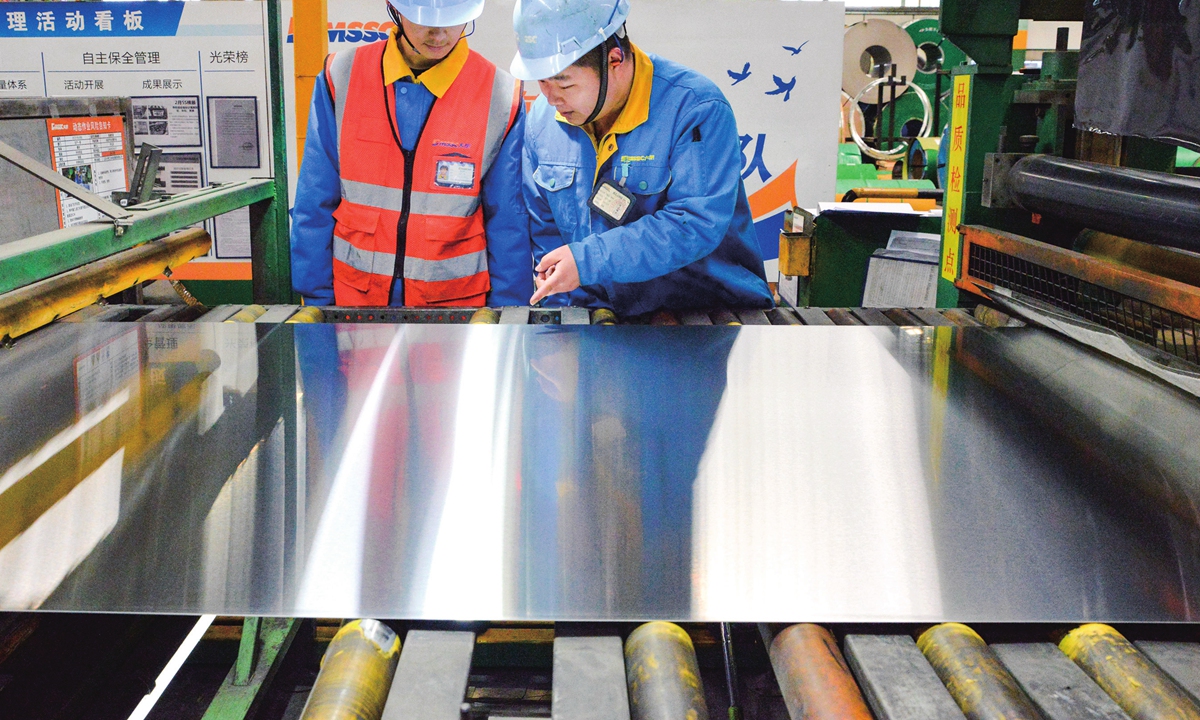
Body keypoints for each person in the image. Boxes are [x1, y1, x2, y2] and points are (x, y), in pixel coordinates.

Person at [512, 0, 774, 315]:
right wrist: (557, 316)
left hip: (704, 316)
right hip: (601, 318)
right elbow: (546, 231)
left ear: (614, 59)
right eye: (542, 81)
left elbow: (696, 222)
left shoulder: (695, 108)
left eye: (564, 82)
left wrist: (589, 260)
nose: (552, 96)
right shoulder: (544, 121)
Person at [291, 0, 532, 308]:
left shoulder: (500, 94)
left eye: (453, 21)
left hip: (456, 313)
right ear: (395, 8)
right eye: (424, 22)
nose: (439, 35)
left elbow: (508, 223)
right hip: (355, 304)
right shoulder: (341, 75)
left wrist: (507, 320)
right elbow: (315, 202)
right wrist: (319, 304)